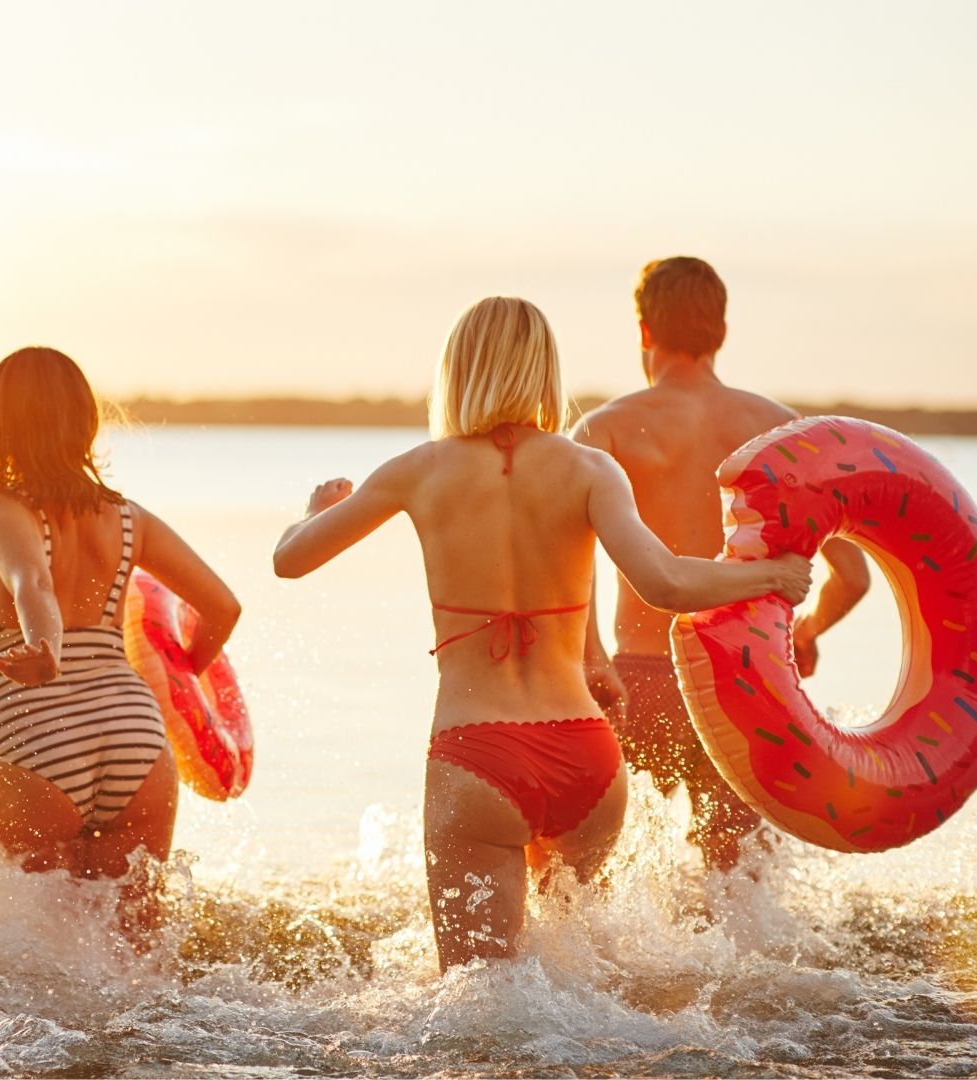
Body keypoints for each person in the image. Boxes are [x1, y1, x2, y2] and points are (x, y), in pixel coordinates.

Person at [272, 297, 810, 970]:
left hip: (479, 757)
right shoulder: (589, 468)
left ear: (457, 370)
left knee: (484, 1005)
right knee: (580, 988)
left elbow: (288, 562)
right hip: (586, 756)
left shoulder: (418, 470)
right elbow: (667, 583)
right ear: (544, 372)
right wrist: (773, 578)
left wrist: (312, 512)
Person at [575, 257, 870, 873]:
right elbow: (855, 576)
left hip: (638, 681)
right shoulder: (782, 430)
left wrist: (590, 657)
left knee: (606, 880)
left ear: (645, 331)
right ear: (722, 333)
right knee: (736, 894)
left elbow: (566, 565)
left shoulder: (603, 430)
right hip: (744, 685)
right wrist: (808, 633)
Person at [0, 346, 240, 933]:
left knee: (23, 967)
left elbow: (33, 582)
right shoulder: (129, 518)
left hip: (36, 733)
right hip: (133, 729)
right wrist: (180, 682)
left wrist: (46, 648)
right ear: (85, 421)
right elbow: (223, 607)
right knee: (135, 955)